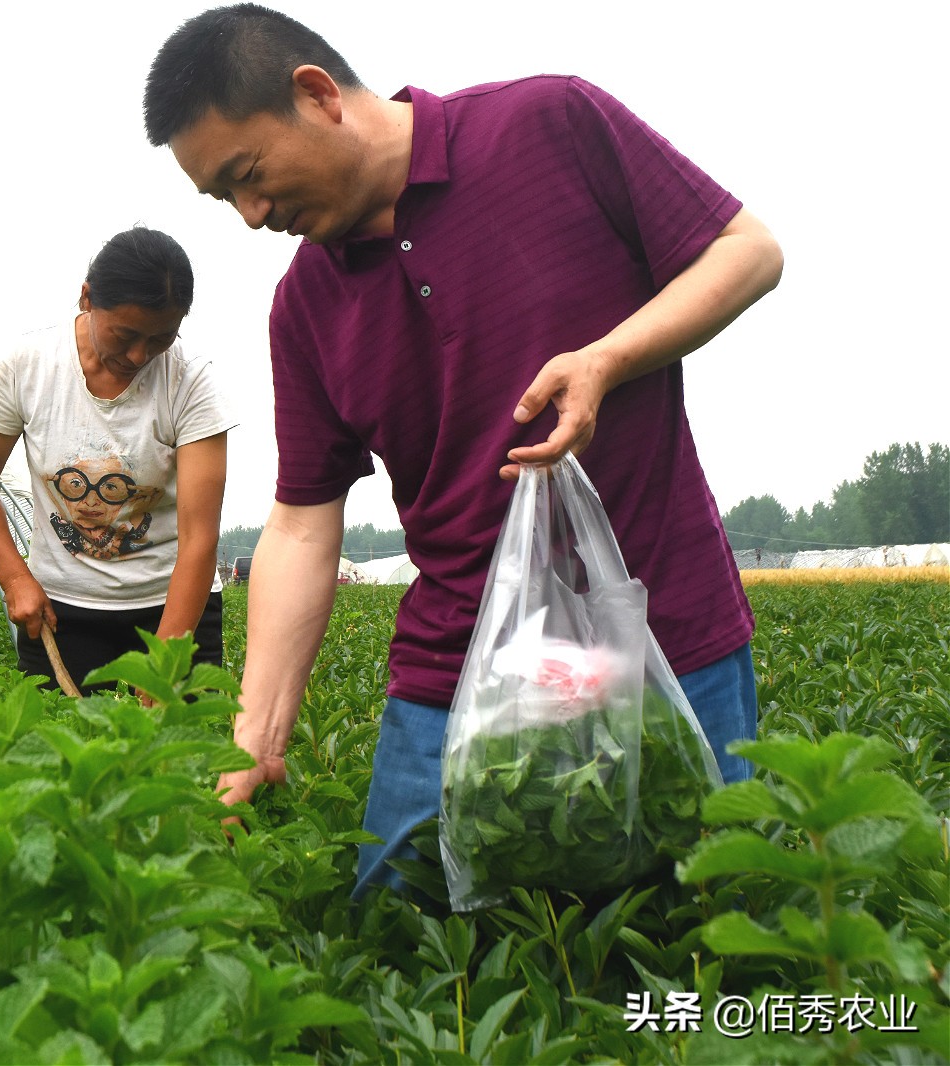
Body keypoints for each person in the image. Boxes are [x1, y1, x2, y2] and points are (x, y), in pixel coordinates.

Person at [143, 5, 784, 897]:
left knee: (711, 931)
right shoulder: (306, 308)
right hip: (458, 668)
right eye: (226, 200)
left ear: (317, 94)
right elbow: (299, 528)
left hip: (665, 635)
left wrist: (609, 358)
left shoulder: (548, 125)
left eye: (248, 176)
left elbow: (745, 251)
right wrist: (258, 737)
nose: (253, 216)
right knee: (402, 941)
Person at [0, 227, 236, 692]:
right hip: (64, 613)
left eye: (161, 337)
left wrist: (165, 663)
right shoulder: (29, 368)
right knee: (60, 756)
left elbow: (199, 538)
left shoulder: (189, 384)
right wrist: (15, 578)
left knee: (180, 759)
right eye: (125, 334)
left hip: (172, 606)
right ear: (87, 298)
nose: (139, 354)